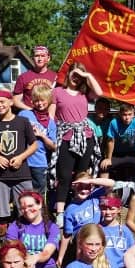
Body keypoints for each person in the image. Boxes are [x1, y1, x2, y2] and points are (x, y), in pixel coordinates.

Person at [0, 89, 37, 241]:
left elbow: (34, 145)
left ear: (11, 102)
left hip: (21, 174)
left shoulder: (23, 121)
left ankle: (26, 240)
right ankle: (5, 244)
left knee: (26, 209)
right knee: (1, 213)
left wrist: (21, 157)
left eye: (2, 101)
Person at [51, 63, 104, 222]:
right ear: (68, 74)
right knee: (65, 176)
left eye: (79, 76)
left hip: (85, 137)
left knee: (82, 175)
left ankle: (80, 207)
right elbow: (51, 117)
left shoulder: (85, 93)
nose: (76, 78)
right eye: (74, 74)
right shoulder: (57, 92)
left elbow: (99, 93)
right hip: (65, 137)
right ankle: (60, 212)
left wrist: (87, 76)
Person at [10, 190, 64, 268]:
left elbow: (47, 253)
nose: (26, 210)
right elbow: (11, 251)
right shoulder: (15, 226)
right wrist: (27, 261)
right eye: (23, 208)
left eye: (30, 206)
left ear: (40, 204)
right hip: (24, 267)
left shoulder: (52, 227)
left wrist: (34, 258)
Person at [17, 83, 57, 198]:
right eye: (37, 101)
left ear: (48, 101)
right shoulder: (24, 114)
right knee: (22, 192)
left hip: (39, 162)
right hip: (23, 160)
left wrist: (42, 136)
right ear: (32, 101)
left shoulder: (51, 122)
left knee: (38, 193)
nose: (40, 103)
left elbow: (53, 146)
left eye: (42, 100)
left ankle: (39, 210)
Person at [13, 44, 56, 110]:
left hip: (49, 114)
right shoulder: (23, 77)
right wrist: (30, 110)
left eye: (43, 56)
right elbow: (16, 100)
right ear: (32, 58)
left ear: (48, 58)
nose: (40, 59)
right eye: (37, 56)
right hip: (30, 114)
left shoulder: (55, 77)